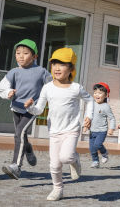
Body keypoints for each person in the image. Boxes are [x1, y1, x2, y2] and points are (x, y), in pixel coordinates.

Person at [24, 48, 93, 201]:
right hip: (54, 131)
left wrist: (89, 116)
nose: (56, 67)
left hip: (71, 130)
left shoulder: (76, 88)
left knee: (66, 156)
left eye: (62, 64)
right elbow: (39, 109)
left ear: (71, 69)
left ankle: (74, 160)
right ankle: (58, 189)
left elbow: (90, 100)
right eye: (54, 63)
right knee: (54, 164)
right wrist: (30, 107)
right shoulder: (47, 88)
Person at [0, 39, 52, 180]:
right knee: (20, 135)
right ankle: (28, 148)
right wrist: (8, 92)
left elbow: (52, 86)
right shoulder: (13, 72)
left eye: (25, 53)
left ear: (34, 57)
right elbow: (2, 87)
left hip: (31, 109)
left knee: (19, 133)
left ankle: (16, 166)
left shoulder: (41, 72)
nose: (21, 56)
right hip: (16, 107)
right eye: (18, 53)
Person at [86, 82, 116, 168]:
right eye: (95, 93)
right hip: (92, 130)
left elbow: (112, 118)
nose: (97, 95)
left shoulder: (106, 106)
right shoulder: (92, 104)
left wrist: (111, 128)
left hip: (101, 131)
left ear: (106, 95)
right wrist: (85, 125)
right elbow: (88, 115)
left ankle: (104, 153)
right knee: (92, 148)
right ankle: (95, 161)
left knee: (97, 145)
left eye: (100, 93)